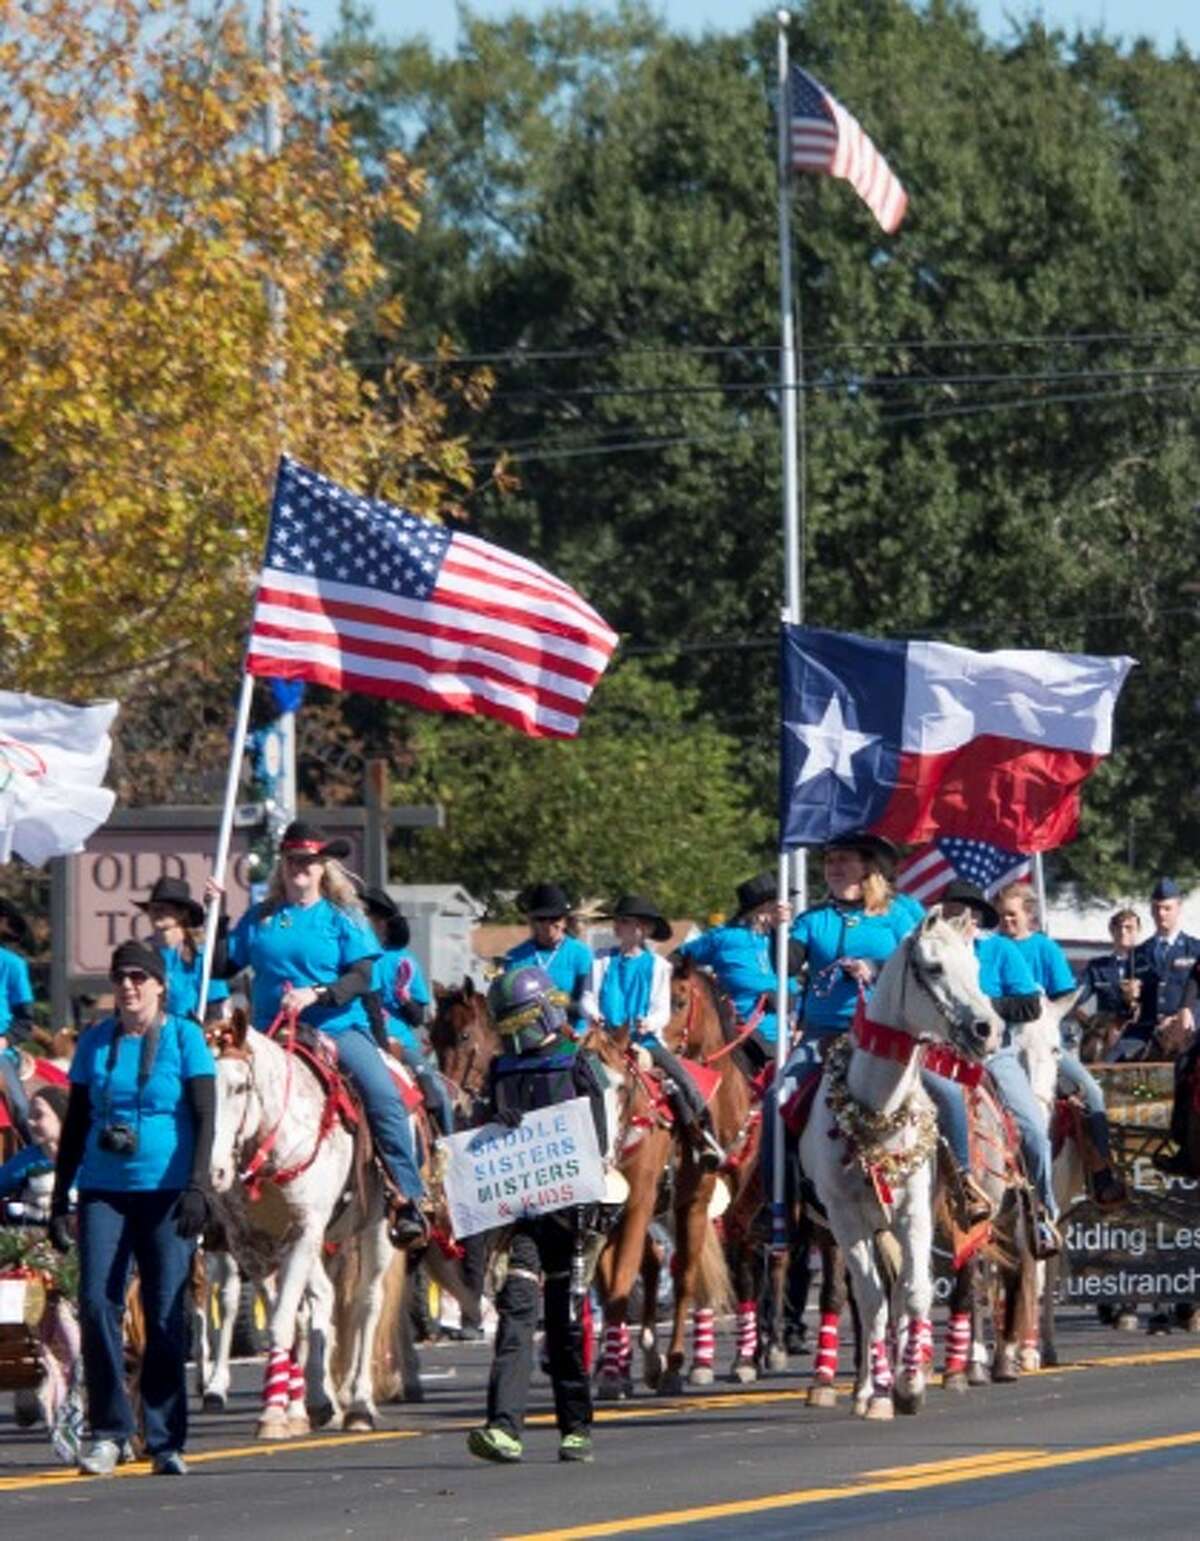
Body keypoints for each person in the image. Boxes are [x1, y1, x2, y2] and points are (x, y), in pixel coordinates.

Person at [211, 821, 427, 1248]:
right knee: (219, 1088)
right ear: (282, 865)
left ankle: (407, 1196)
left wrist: (318, 994)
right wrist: (216, 918)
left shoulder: (342, 916)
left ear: (323, 867)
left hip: (336, 1027)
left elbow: (363, 975)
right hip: (269, 1035)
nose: (300, 868)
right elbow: (222, 967)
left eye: (309, 861)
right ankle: (214, 1202)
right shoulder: (261, 918)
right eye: (293, 860)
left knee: (383, 1095)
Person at [48, 940, 215, 1477]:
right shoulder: (96, 1043)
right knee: (97, 1301)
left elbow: (207, 1116)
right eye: (121, 977)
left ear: (161, 984)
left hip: (167, 1191)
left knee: (167, 1310)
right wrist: (59, 1199)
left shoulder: (186, 1037)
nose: (129, 986)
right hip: (104, 1189)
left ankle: (165, 1438)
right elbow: (74, 1126)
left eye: (140, 977)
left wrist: (198, 1187)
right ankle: (109, 1432)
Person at [467, 965, 609, 1465]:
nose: (516, 1036)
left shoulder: (577, 1063)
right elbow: (477, 1133)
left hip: (570, 1217)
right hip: (524, 1214)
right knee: (516, 1312)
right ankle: (503, 1426)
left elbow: (598, 1140)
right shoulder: (502, 1071)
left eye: (521, 1022)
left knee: (563, 1321)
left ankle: (576, 1427)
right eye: (506, 1027)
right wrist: (492, 1123)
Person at [928, 881, 1060, 1256]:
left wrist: (983, 1005)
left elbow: (1029, 1007)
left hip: (992, 1054)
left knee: (1033, 1128)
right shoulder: (927, 952)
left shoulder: (998, 950)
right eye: (950, 911)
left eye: (964, 913)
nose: (957, 919)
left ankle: (1043, 1214)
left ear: (977, 919)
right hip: (938, 1053)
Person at [995, 884, 1125, 1206]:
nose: (1006, 921)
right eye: (1001, 916)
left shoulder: (1045, 949)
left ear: (1029, 915)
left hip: (1043, 1040)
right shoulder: (991, 949)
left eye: (1012, 915)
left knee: (1091, 1092)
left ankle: (1101, 1173)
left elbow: (1067, 996)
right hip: (1001, 1044)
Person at [581, 893, 724, 1170]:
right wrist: (593, 1014)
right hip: (604, 1039)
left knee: (682, 1080)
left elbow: (662, 1009)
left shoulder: (660, 966)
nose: (619, 927)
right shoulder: (600, 961)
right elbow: (588, 995)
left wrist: (651, 1023)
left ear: (643, 929)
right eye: (619, 921)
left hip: (643, 1040)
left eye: (626, 922)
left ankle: (702, 1138)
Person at [676, 871, 792, 1072]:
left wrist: (789, 999)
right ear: (762, 907)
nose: (783, 909)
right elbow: (679, 958)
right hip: (739, 1035)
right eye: (777, 904)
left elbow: (797, 983)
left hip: (784, 1037)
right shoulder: (725, 937)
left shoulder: (782, 940)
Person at [362, 886, 454, 1137]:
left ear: (383, 925)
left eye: (372, 920)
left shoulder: (402, 960)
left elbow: (417, 1017)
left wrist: (403, 996)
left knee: (437, 1092)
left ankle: (447, 1147)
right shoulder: (351, 957)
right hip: (361, 1038)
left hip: (400, 1043)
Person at [135, 875, 228, 1022]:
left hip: (193, 1034)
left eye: (165, 907)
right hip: (149, 1035)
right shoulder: (139, 954)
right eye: (153, 907)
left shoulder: (202, 953)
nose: (157, 911)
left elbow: (215, 1005)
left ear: (182, 913)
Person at [504, 884, 594, 1035]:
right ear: (532, 922)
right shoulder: (515, 958)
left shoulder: (581, 954)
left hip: (572, 1036)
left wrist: (554, 1005)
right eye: (541, 918)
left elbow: (588, 1002)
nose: (548, 924)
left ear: (564, 921)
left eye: (554, 918)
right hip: (529, 1040)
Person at [1125, 879, 1200, 1057]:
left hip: (1187, 1030)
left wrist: (1182, 1017)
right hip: (1147, 1032)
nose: (1161, 914)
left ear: (1178, 908)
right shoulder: (1138, 954)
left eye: (1167, 908)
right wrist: (1130, 998)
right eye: (1156, 908)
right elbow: (1128, 1007)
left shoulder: (1196, 950)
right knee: (1112, 1065)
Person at [1072, 909, 1145, 1061]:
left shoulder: (1148, 964)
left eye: (1129, 928)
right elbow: (1076, 996)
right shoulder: (1097, 967)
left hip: (1140, 1032)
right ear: (1112, 931)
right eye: (1119, 927)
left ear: (1138, 931)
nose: (1123, 932)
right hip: (1106, 1035)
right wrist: (1089, 1023)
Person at [0, 1084, 66, 1219]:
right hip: (34, 1230)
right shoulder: (25, 1160)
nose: (30, 1122)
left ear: (61, 1118)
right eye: (29, 1116)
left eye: (38, 1116)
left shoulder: (87, 1158)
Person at [0, 897, 36, 1139]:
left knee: (22, 1108)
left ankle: (41, 1161)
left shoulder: (12, 965)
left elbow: (25, 1021)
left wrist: (4, 1040)